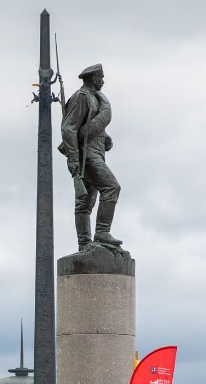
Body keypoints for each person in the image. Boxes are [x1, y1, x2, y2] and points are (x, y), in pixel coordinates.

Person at [58, 63, 122, 250]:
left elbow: (89, 126)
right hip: (86, 154)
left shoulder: (93, 98)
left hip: (95, 152)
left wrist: (105, 137)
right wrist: (73, 159)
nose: (103, 81)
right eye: (101, 78)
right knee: (111, 187)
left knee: (85, 202)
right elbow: (68, 128)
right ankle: (102, 231)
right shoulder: (82, 97)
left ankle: (85, 243)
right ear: (94, 79)